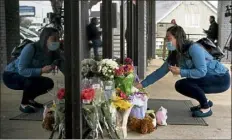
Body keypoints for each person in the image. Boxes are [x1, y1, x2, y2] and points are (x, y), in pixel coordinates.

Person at [136, 25, 230, 118]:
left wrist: (181, 71)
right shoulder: (175, 54)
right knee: (180, 85)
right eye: (166, 39)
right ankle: (206, 101)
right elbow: (159, 73)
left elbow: (201, 72)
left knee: (185, 84)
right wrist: (139, 86)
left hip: (221, 78)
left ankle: (206, 108)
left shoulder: (194, 48)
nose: (167, 42)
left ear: (178, 38)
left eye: (169, 39)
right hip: (206, 78)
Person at [2, 27, 65, 113]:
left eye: (59, 38)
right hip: (11, 75)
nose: (57, 41)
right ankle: (24, 104)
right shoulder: (31, 48)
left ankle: (30, 100)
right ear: (45, 38)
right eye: (54, 39)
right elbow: (22, 70)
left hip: (27, 76)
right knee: (31, 80)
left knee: (48, 83)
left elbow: (64, 68)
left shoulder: (54, 52)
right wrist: (41, 70)